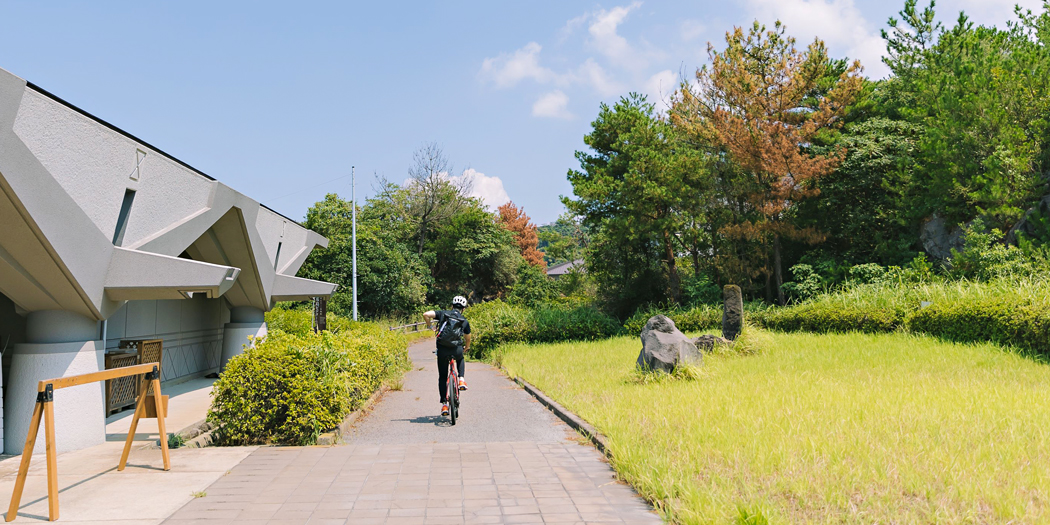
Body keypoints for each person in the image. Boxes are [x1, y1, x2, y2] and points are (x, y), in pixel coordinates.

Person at [423, 295, 471, 416]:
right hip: (456, 349)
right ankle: (461, 379)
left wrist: (430, 326)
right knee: (460, 358)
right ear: (463, 309)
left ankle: (444, 404)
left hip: (443, 349)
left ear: (452, 306)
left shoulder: (443, 314)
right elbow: (467, 337)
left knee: (443, 377)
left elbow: (426, 314)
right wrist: (467, 347)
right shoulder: (464, 320)